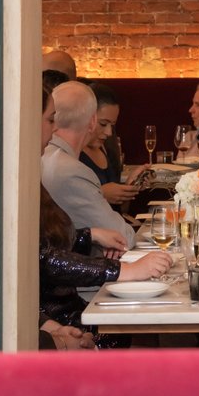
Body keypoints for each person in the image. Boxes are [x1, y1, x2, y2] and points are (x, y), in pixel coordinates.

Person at [35, 76, 169, 349]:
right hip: (61, 304)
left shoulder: (40, 163)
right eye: (50, 120)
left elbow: (44, 242)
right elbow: (46, 256)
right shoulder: (64, 168)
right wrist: (123, 270)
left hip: (47, 308)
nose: (53, 131)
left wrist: (89, 235)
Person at [41, 81, 137, 247]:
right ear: (92, 121)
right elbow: (123, 238)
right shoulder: (72, 171)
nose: (108, 132)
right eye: (103, 123)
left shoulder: (45, 156)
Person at [76, 81, 139, 208]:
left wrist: (131, 184)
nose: (109, 132)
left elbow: (119, 211)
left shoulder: (107, 148)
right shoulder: (73, 155)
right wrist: (101, 194)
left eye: (113, 125)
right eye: (103, 124)